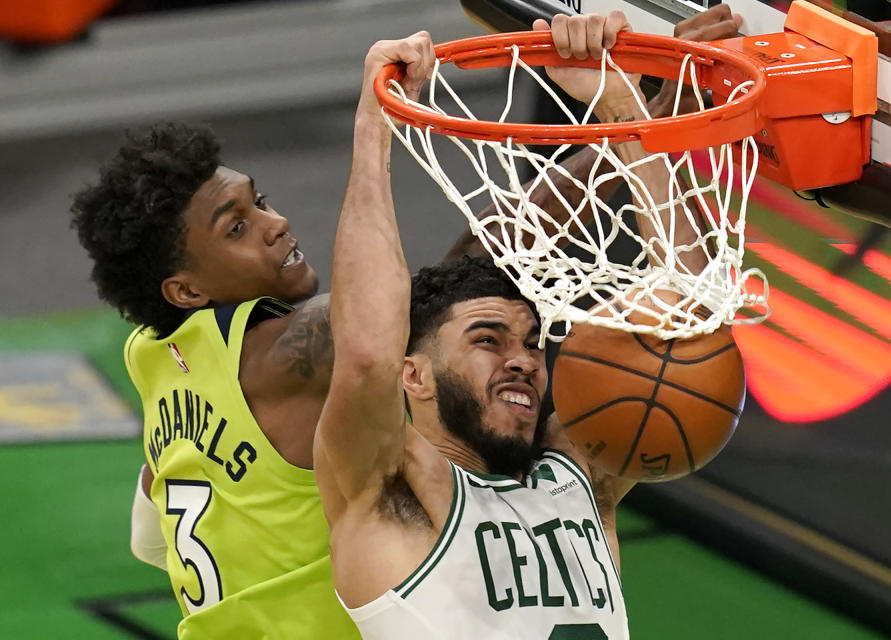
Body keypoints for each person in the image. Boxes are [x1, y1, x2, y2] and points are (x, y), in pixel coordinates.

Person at [70, 5, 743, 638]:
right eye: (238, 227)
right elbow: (433, 293)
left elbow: (151, 541)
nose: (276, 225)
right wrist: (637, 129)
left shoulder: (155, 358)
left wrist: (634, 123)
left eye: (262, 202)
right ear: (184, 287)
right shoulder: (285, 356)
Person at [315, 8, 736, 637]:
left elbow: (686, 326)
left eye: (533, 343)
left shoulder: (580, 468)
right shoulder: (396, 490)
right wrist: (376, 121)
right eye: (487, 339)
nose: (525, 360)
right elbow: (368, 352)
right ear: (415, 375)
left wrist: (621, 104)